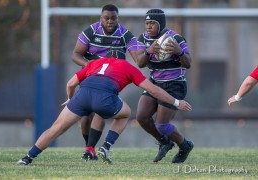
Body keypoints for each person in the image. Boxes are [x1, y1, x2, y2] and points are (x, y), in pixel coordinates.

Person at [17, 51, 192, 165]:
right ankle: (106, 146)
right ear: (122, 57)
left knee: (55, 128)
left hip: (82, 95)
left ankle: (27, 158)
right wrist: (176, 102)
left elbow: (71, 84)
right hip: (105, 98)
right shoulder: (127, 66)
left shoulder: (94, 64)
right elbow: (153, 89)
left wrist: (70, 98)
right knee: (126, 114)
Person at [71, 4, 138, 160]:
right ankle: (88, 147)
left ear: (117, 18)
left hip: (110, 80)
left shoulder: (125, 35)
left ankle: (90, 149)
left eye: (113, 18)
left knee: (101, 111)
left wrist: (146, 52)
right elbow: (75, 54)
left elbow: (138, 59)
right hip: (91, 76)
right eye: (106, 18)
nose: (109, 21)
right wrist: (90, 66)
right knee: (86, 115)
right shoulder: (91, 31)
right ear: (101, 18)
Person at [136, 9, 193, 163]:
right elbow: (140, 63)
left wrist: (179, 52)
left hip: (174, 84)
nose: (148, 27)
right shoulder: (143, 38)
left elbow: (188, 63)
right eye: (147, 23)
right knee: (141, 117)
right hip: (154, 83)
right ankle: (165, 142)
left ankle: (184, 145)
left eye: (152, 23)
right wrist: (148, 51)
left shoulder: (175, 38)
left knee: (161, 125)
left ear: (160, 24)